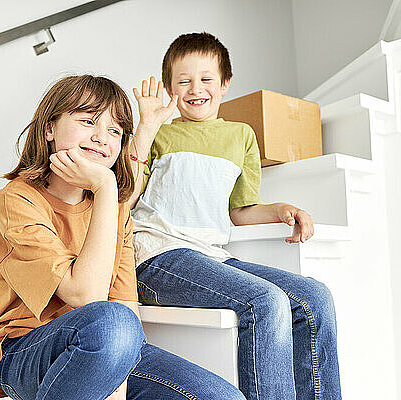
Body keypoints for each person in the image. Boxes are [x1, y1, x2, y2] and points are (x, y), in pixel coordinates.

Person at [0, 74, 245, 400]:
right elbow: (85, 295)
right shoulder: (17, 199)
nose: (101, 138)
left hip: (111, 343)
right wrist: (106, 186)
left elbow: (125, 306)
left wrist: (117, 389)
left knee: (223, 397)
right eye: (88, 120)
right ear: (49, 129)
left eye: (114, 131)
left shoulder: (115, 210)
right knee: (111, 324)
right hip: (27, 349)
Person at [128, 33, 342, 400]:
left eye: (207, 78)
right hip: (158, 256)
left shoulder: (241, 136)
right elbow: (126, 198)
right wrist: (144, 131)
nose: (196, 88)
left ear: (225, 84)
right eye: (184, 80)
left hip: (211, 255)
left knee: (315, 297)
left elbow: (238, 211)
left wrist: (280, 210)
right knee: (265, 302)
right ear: (169, 88)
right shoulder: (159, 135)